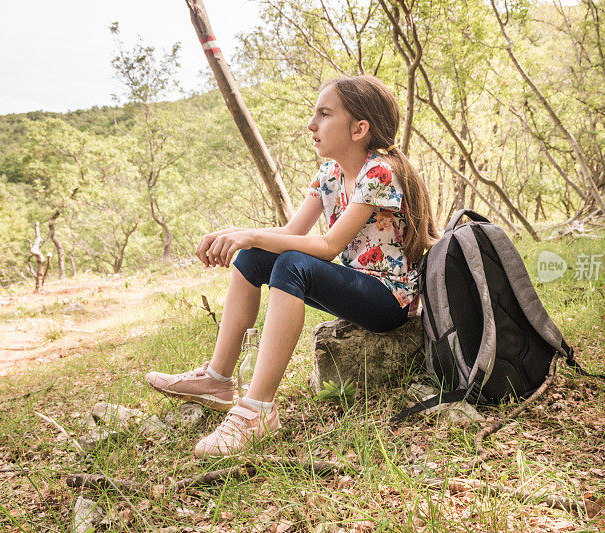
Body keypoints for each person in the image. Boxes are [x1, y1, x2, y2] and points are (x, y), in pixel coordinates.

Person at [146, 75, 439, 457]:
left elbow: (328, 245)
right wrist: (239, 236)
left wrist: (248, 233)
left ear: (359, 128)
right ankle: (217, 380)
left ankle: (257, 411)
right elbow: (291, 231)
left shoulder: (379, 172)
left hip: (390, 301)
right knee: (253, 258)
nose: (311, 124)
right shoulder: (331, 174)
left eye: (324, 113)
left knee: (292, 264)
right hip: (356, 284)